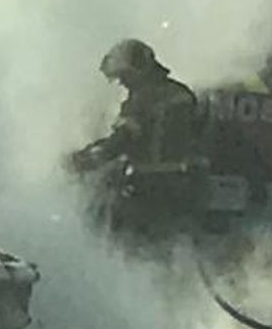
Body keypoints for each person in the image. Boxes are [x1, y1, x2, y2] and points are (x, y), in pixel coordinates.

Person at [69, 38, 205, 240]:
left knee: (111, 232)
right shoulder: (182, 93)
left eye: (125, 76)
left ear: (138, 70)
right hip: (184, 187)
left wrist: (82, 160)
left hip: (148, 189)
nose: (123, 83)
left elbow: (121, 141)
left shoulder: (142, 100)